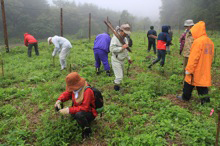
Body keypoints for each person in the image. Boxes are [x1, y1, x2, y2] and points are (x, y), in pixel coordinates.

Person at [177, 21, 214, 105]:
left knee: (189, 81)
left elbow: (193, 58)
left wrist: (189, 69)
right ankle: (205, 101)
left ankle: (185, 97)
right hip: (205, 67)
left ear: (197, 31)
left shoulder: (198, 42)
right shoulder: (209, 41)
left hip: (196, 67)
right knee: (202, 84)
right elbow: (211, 56)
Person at [54, 72, 97, 138]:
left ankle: (87, 129)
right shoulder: (75, 90)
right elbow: (67, 94)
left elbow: (85, 108)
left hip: (89, 112)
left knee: (79, 115)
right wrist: (59, 100)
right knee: (74, 114)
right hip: (79, 108)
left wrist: (69, 110)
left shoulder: (87, 91)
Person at [110, 24, 132, 91]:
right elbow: (111, 49)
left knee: (121, 75)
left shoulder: (125, 39)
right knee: (119, 77)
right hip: (116, 59)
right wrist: (121, 48)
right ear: (121, 31)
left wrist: (128, 58)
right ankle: (116, 90)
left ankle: (117, 86)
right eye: (125, 33)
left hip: (122, 59)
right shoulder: (115, 38)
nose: (126, 34)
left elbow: (126, 49)